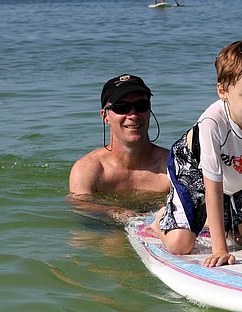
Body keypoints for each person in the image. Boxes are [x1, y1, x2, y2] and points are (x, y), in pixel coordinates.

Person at [150, 40, 242, 268]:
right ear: (223, 91)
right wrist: (220, 249)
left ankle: (223, 221)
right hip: (193, 166)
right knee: (180, 245)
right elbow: (213, 187)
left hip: (238, 172)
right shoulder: (212, 122)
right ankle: (162, 219)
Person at [69, 74, 170, 215]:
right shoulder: (88, 169)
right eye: (122, 108)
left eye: (141, 106)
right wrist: (115, 212)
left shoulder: (171, 166)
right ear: (105, 117)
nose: (133, 115)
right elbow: (79, 205)